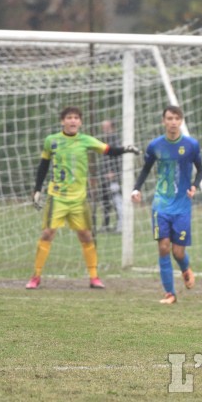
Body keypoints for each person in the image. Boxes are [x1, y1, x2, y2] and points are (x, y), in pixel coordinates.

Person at [26, 107, 140, 290]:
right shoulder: (51, 141)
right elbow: (43, 165)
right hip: (57, 197)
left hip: (79, 199)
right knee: (48, 233)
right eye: (69, 118)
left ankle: (94, 277)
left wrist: (126, 149)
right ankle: (36, 276)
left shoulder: (86, 140)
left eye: (76, 118)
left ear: (80, 122)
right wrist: (37, 189)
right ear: (62, 121)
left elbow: (109, 150)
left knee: (86, 235)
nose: (72, 121)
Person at [131, 105, 202, 305]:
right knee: (164, 248)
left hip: (182, 206)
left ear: (181, 121)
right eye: (169, 118)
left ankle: (185, 268)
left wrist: (194, 186)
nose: (173, 122)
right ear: (164, 121)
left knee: (178, 252)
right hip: (161, 204)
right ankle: (170, 294)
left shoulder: (191, 145)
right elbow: (146, 169)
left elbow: (201, 170)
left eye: (176, 118)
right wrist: (136, 189)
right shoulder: (155, 145)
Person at [98, 120, 123, 233]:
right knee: (105, 202)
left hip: (113, 177)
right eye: (103, 128)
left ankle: (121, 225)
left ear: (112, 128)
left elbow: (118, 157)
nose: (104, 130)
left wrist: (114, 172)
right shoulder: (104, 140)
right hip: (104, 176)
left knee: (117, 200)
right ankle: (106, 224)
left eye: (106, 127)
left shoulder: (115, 140)